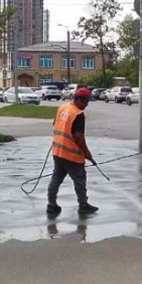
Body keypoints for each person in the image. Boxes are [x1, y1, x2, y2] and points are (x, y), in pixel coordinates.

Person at [46, 87, 98, 216]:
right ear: (79, 100)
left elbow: (55, 124)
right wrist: (86, 153)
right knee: (80, 180)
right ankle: (83, 205)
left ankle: (51, 204)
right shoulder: (78, 114)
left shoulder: (63, 107)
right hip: (71, 155)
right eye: (86, 101)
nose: (87, 104)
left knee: (56, 178)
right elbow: (78, 137)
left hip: (58, 151)